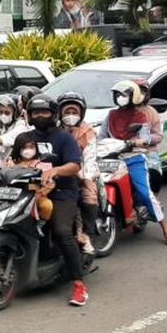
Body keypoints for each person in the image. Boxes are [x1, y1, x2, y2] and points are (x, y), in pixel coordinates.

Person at [25, 94, 90, 306]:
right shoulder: (26, 137)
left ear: (53, 114)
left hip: (63, 193)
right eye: (35, 112)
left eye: (44, 112)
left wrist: (56, 170)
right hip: (32, 191)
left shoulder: (64, 138)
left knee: (62, 231)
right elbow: (15, 159)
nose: (39, 116)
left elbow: (75, 165)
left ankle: (79, 285)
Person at [101, 80, 167, 246]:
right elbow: (101, 135)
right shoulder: (111, 115)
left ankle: (165, 227)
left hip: (134, 158)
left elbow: (145, 136)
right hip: (113, 158)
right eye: (118, 95)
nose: (120, 98)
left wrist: (138, 142)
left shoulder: (141, 115)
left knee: (145, 193)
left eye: (124, 95)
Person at [59, 93, 100, 259]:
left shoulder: (87, 132)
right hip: (58, 173)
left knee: (89, 195)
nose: (70, 116)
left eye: (74, 112)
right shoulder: (55, 129)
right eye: (67, 111)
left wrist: (83, 176)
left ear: (81, 113)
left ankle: (87, 234)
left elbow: (90, 157)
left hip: (82, 172)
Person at [7, 131, 54, 222]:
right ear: (18, 149)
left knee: (47, 205)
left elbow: (48, 182)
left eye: (31, 147)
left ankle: (41, 225)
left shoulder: (42, 164)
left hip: (37, 196)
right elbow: (2, 173)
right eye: (24, 147)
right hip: (14, 196)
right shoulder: (11, 164)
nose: (28, 150)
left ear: (36, 148)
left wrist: (40, 188)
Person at [0, 94, 28, 165]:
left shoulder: (21, 124)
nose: (3, 115)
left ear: (15, 113)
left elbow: (13, 136)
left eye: (7, 113)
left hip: (15, 165)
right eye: (1, 112)